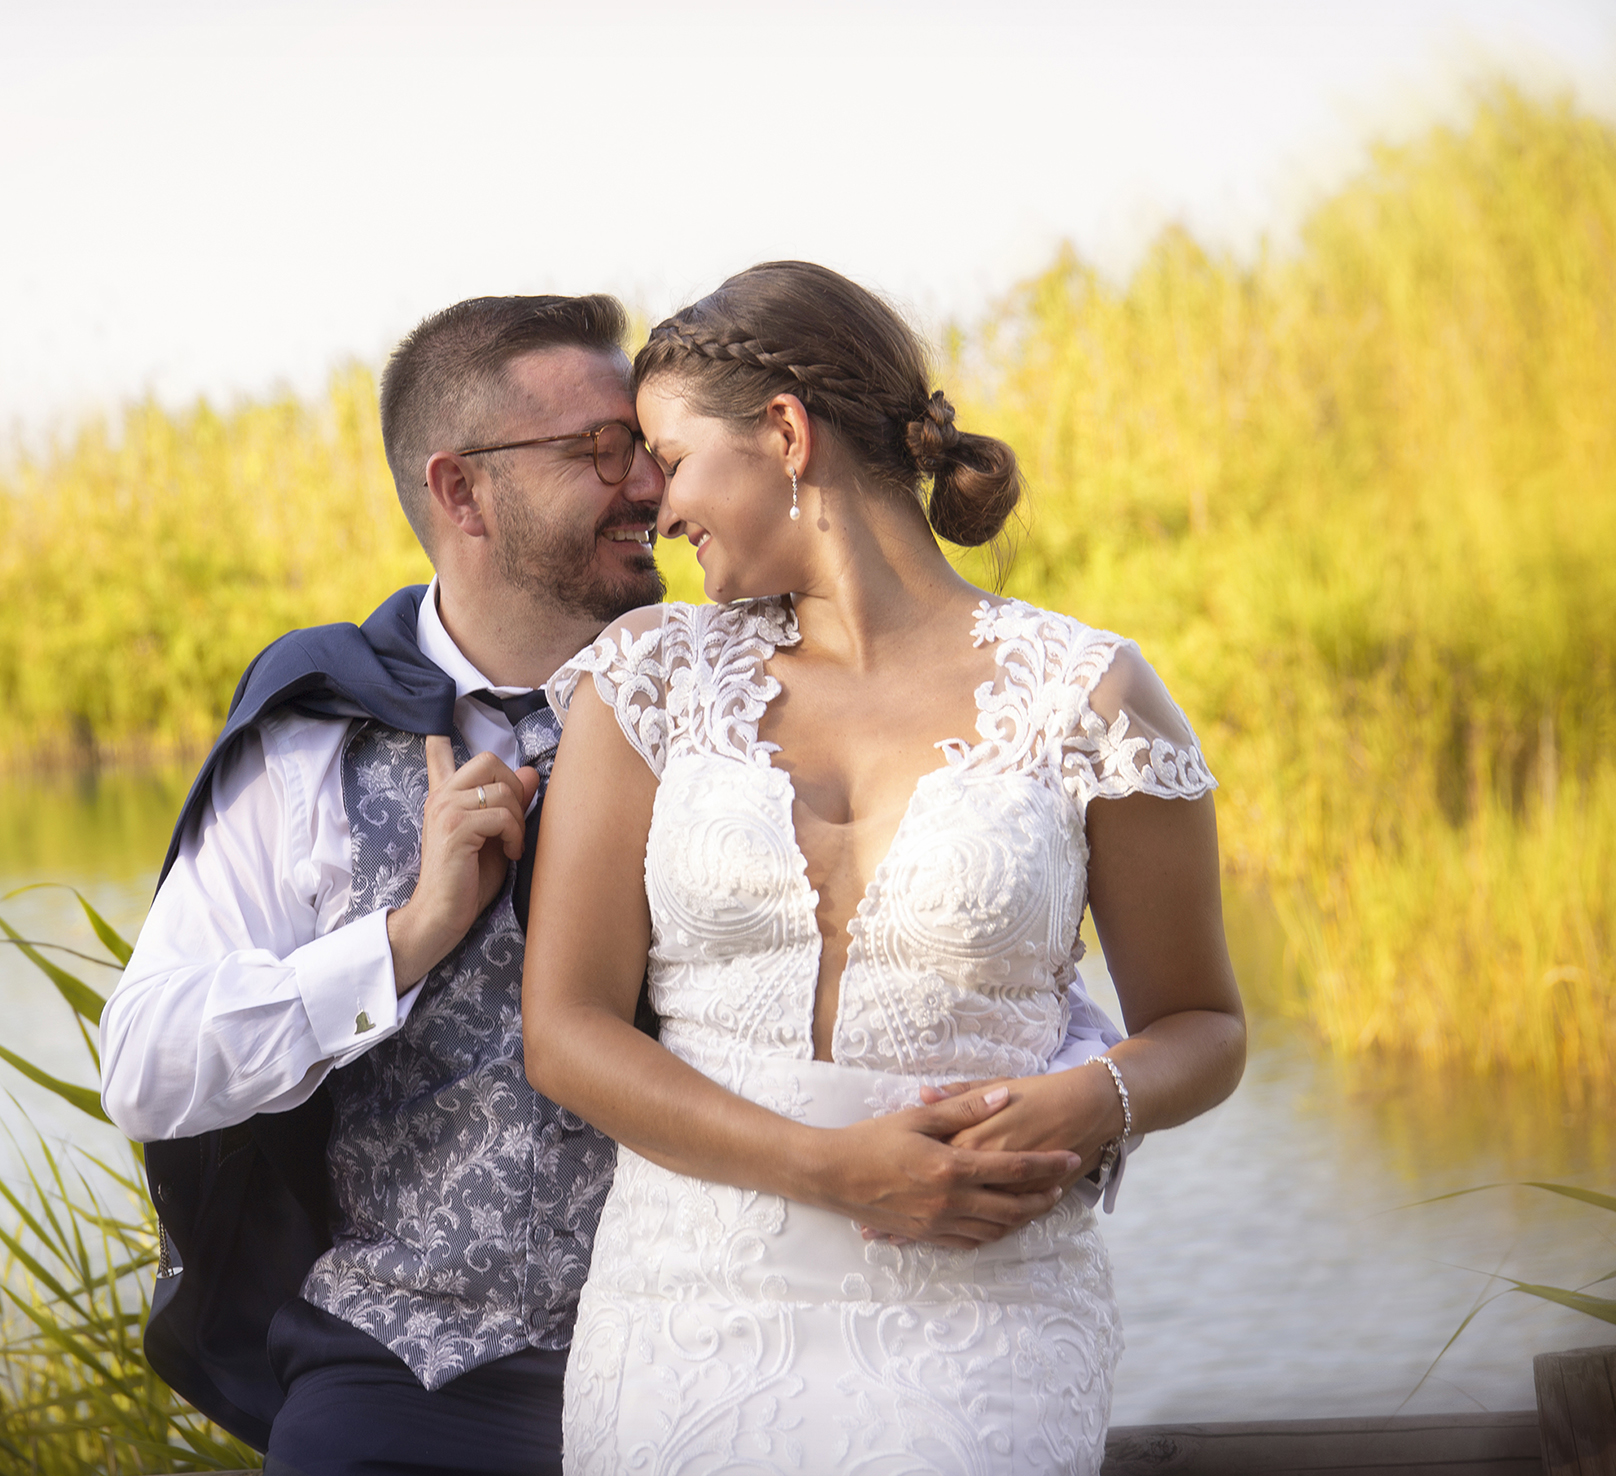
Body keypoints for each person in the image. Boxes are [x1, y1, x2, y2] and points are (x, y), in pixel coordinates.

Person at [101, 292, 1127, 1476]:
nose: (652, 487)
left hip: (740, 1331)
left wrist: (1066, 1109)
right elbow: (144, 1065)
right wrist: (402, 937)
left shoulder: (734, 691)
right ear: (460, 491)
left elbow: (949, 945)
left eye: (651, 447)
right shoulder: (315, 743)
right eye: (600, 451)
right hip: (416, 1370)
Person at [521, 262, 1247, 1475]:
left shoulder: (1090, 694)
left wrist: (1093, 1099)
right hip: (686, 1308)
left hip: (985, 1310)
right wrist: (828, 1167)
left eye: (670, 456)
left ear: (786, 435)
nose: (653, 504)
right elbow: (565, 1031)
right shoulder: (644, 677)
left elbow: (1201, 1023)